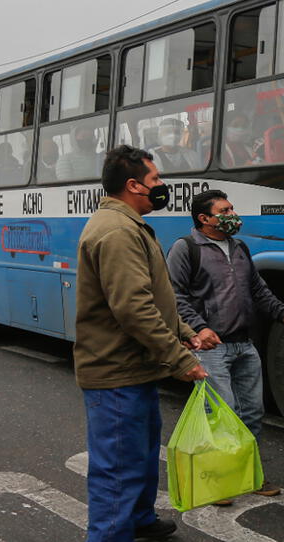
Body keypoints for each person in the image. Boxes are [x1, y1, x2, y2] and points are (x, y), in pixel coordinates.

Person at [74, 145, 208, 542]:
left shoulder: (127, 225)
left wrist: (186, 332)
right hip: (117, 372)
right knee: (117, 468)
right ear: (133, 185)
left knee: (143, 455)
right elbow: (133, 308)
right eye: (156, 181)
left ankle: (138, 519)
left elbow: (152, 297)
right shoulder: (116, 231)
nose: (162, 187)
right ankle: (112, 533)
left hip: (135, 368)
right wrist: (179, 359)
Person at [165, 189, 284, 504]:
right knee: (221, 416)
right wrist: (199, 328)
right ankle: (219, 481)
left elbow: (257, 288)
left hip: (244, 345)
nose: (232, 215)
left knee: (252, 414)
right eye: (225, 210)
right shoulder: (186, 249)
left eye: (231, 208)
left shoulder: (238, 247)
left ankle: (249, 476)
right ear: (204, 219)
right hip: (212, 349)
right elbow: (174, 296)